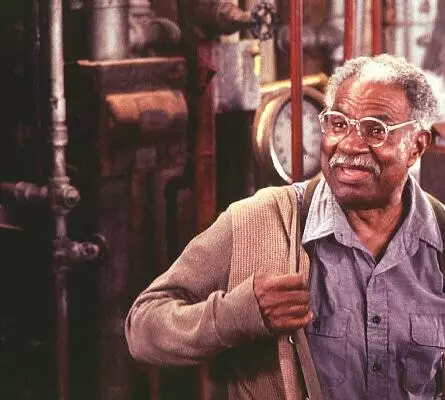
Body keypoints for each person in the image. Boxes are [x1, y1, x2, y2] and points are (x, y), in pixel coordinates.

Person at [125, 53, 444, 400]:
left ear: (417, 146)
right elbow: (142, 328)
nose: (350, 145)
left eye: (375, 130)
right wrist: (235, 315)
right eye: (338, 124)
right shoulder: (257, 221)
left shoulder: (440, 239)